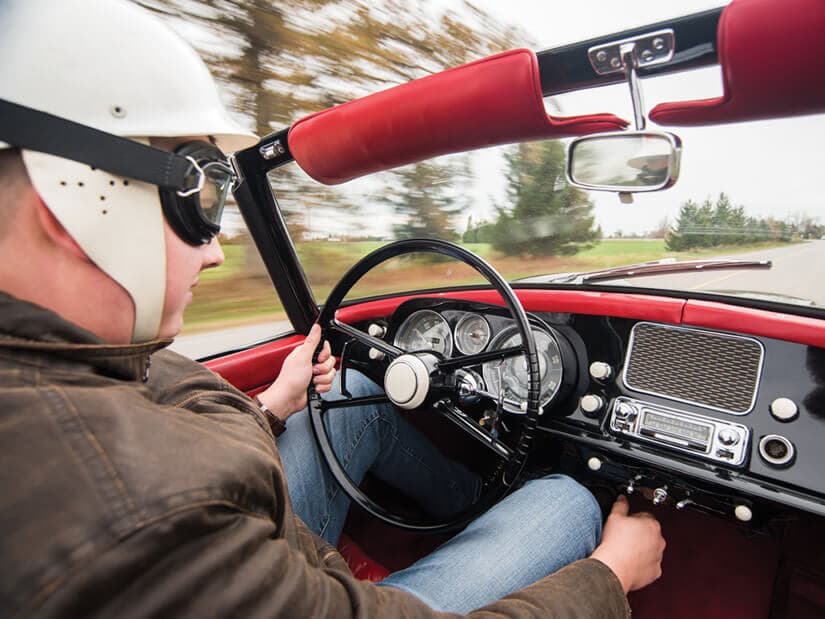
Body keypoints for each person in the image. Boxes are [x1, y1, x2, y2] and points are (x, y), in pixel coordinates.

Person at [0, 1, 665, 617]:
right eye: (199, 200)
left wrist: (274, 403)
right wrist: (609, 573)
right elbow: (165, 499)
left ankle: (481, 504)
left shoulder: (74, 370)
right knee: (567, 498)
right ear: (74, 200)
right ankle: (530, 511)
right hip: (287, 581)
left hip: (256, 554)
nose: (215, 255)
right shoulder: (143, 519)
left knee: (354, 388)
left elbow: (170, 458)